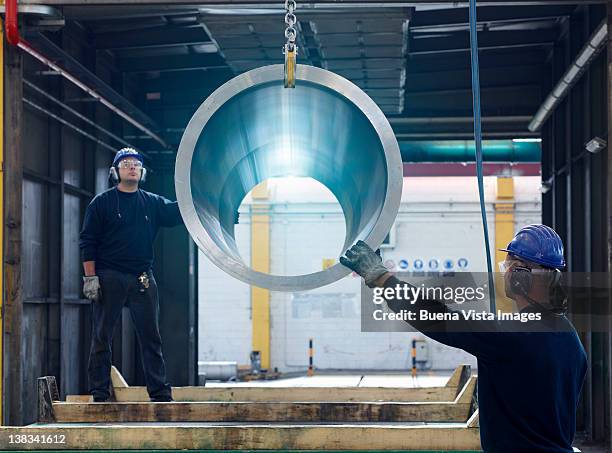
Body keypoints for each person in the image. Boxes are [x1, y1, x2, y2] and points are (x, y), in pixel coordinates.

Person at [340, 224, 587, 453]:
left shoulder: (513, 334)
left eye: (508, 267)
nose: (505, 275)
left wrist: (381, 278)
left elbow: (433, 317)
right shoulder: (570, 337)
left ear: (520, 276)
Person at [79, 147, 183, 402]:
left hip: (142, 278)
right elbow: (87, 241)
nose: (132, 167)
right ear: (116, 171)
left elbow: (180, 213)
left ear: (142, 171)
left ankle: (159, 393)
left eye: (136, 163)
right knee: (102, 336)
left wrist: (202, 198)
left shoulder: (153, 203)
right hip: (109, 276)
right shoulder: (101, 203)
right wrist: (90, 278)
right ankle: (100, 393)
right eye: (125, 163)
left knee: (151, 338)